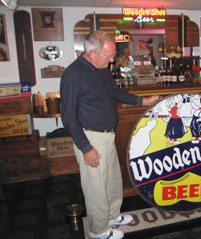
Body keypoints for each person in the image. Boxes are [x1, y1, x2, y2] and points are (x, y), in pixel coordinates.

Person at [60, 30, 160, 239]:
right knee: (95, 187)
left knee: (112, 181)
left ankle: (112, 216)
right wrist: (86, 148)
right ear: (93, 53)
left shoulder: (102, 68)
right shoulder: (74, 74)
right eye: (109, 56)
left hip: (108, 136)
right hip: (90, 138)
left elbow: (115, 92)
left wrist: (144, 101)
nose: (113, 60)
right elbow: (68, 117)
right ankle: (98, 230)